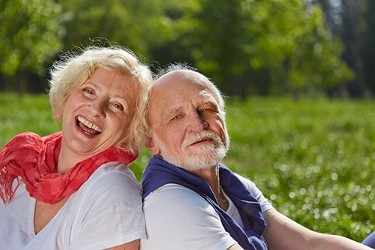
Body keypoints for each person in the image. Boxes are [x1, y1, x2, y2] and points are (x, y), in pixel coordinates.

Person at [140, 64, 375, 250]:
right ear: (151, 142)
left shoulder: (234, 186)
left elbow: (305, 242)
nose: (198, 124)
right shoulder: (171, 204)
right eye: (176, 117)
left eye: (207, 109)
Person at [0, 46, 152, 249]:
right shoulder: (21, 164)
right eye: (89, 91)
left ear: (130, 129)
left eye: (117, 105)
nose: (96, 109)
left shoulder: (112, 194)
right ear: (66, 95)